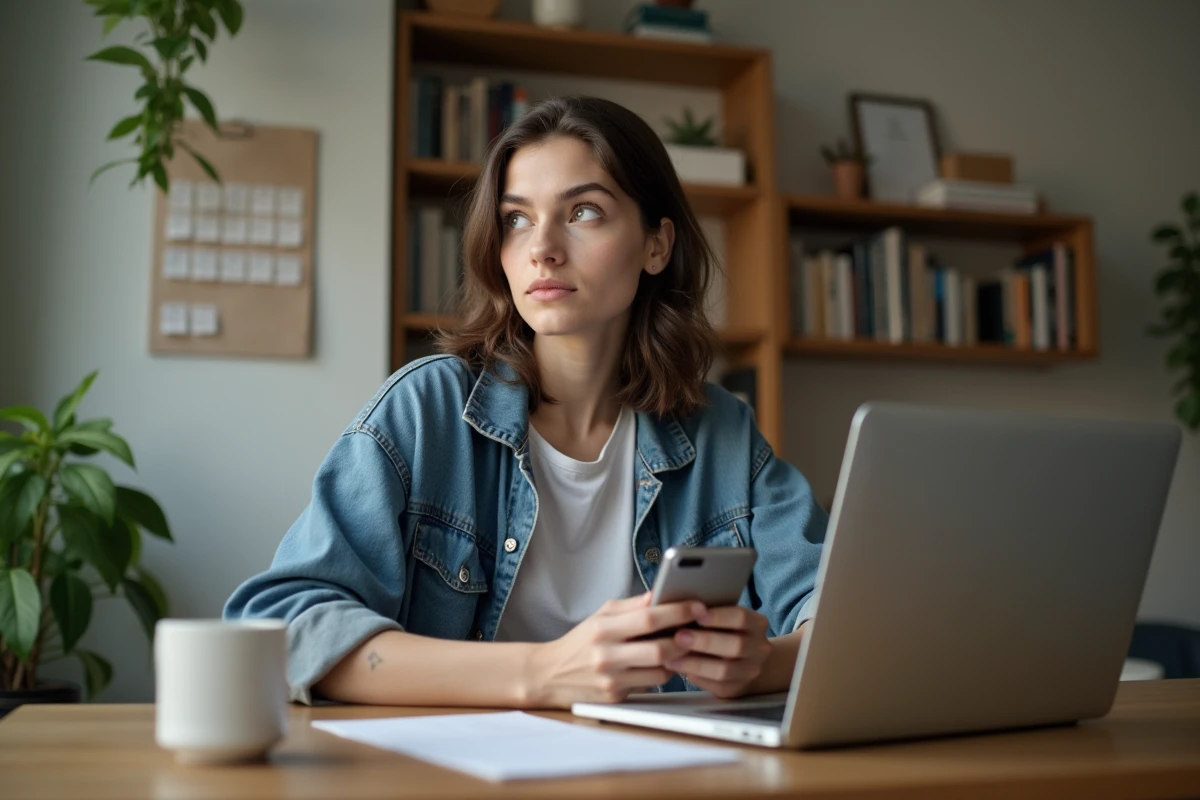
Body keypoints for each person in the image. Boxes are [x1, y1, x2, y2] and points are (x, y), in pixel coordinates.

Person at [223, 96, 827, 709]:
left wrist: (763, 664)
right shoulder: (425, 410)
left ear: (656, 245)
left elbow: (841, 616)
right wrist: (540, 673)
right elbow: (286, 628)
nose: (542, 248)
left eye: (584, 211)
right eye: (516, 219)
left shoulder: (721, 430)